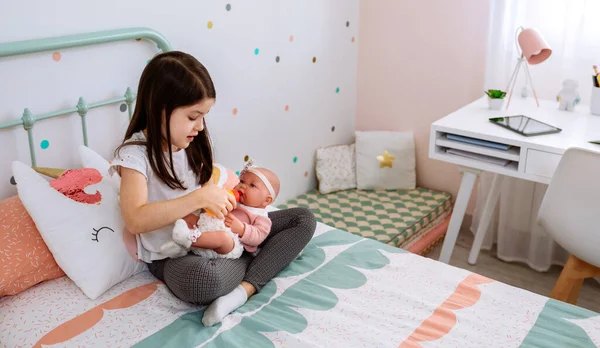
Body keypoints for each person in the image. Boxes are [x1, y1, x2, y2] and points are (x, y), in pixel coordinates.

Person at [108, 50, 316, 327]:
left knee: (302, 218)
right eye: (193, 116)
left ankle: (244, 289)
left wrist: (228, 209)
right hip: (175, 252)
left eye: (204, 115)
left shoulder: (194, 141)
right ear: (160, 109)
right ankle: (261, 258)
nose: (200, 125)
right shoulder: (135, 157)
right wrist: (201, 198)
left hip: (221, 234)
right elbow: (135, 219)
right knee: (203, 283)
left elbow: (211, 193)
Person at [160, 162, 280, 260]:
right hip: (208, 226)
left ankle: (189, 240)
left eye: (252, 185)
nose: (243, 186)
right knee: (189, 216)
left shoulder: (262, 218)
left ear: (266, 200)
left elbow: (258, 237)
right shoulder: (233, 199)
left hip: (231, 244)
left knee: (223, 238)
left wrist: (242, 229)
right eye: (242, 182)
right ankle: (179, 247)